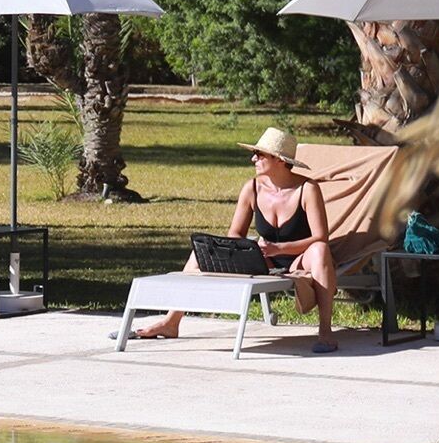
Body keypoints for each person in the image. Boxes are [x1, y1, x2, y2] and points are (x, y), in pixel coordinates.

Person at [134, 125, 340, 350]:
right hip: (264, 258)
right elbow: (235, 233)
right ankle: (171, 322)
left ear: (280, 160)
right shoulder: (251, 188)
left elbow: (321, 236)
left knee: (320, 250)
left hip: (299, 258)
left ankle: (325, 331)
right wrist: (249, 249)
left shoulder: (307, 189)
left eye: (260, 154)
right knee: (198, 254)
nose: (253, 159)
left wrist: (279, 248)